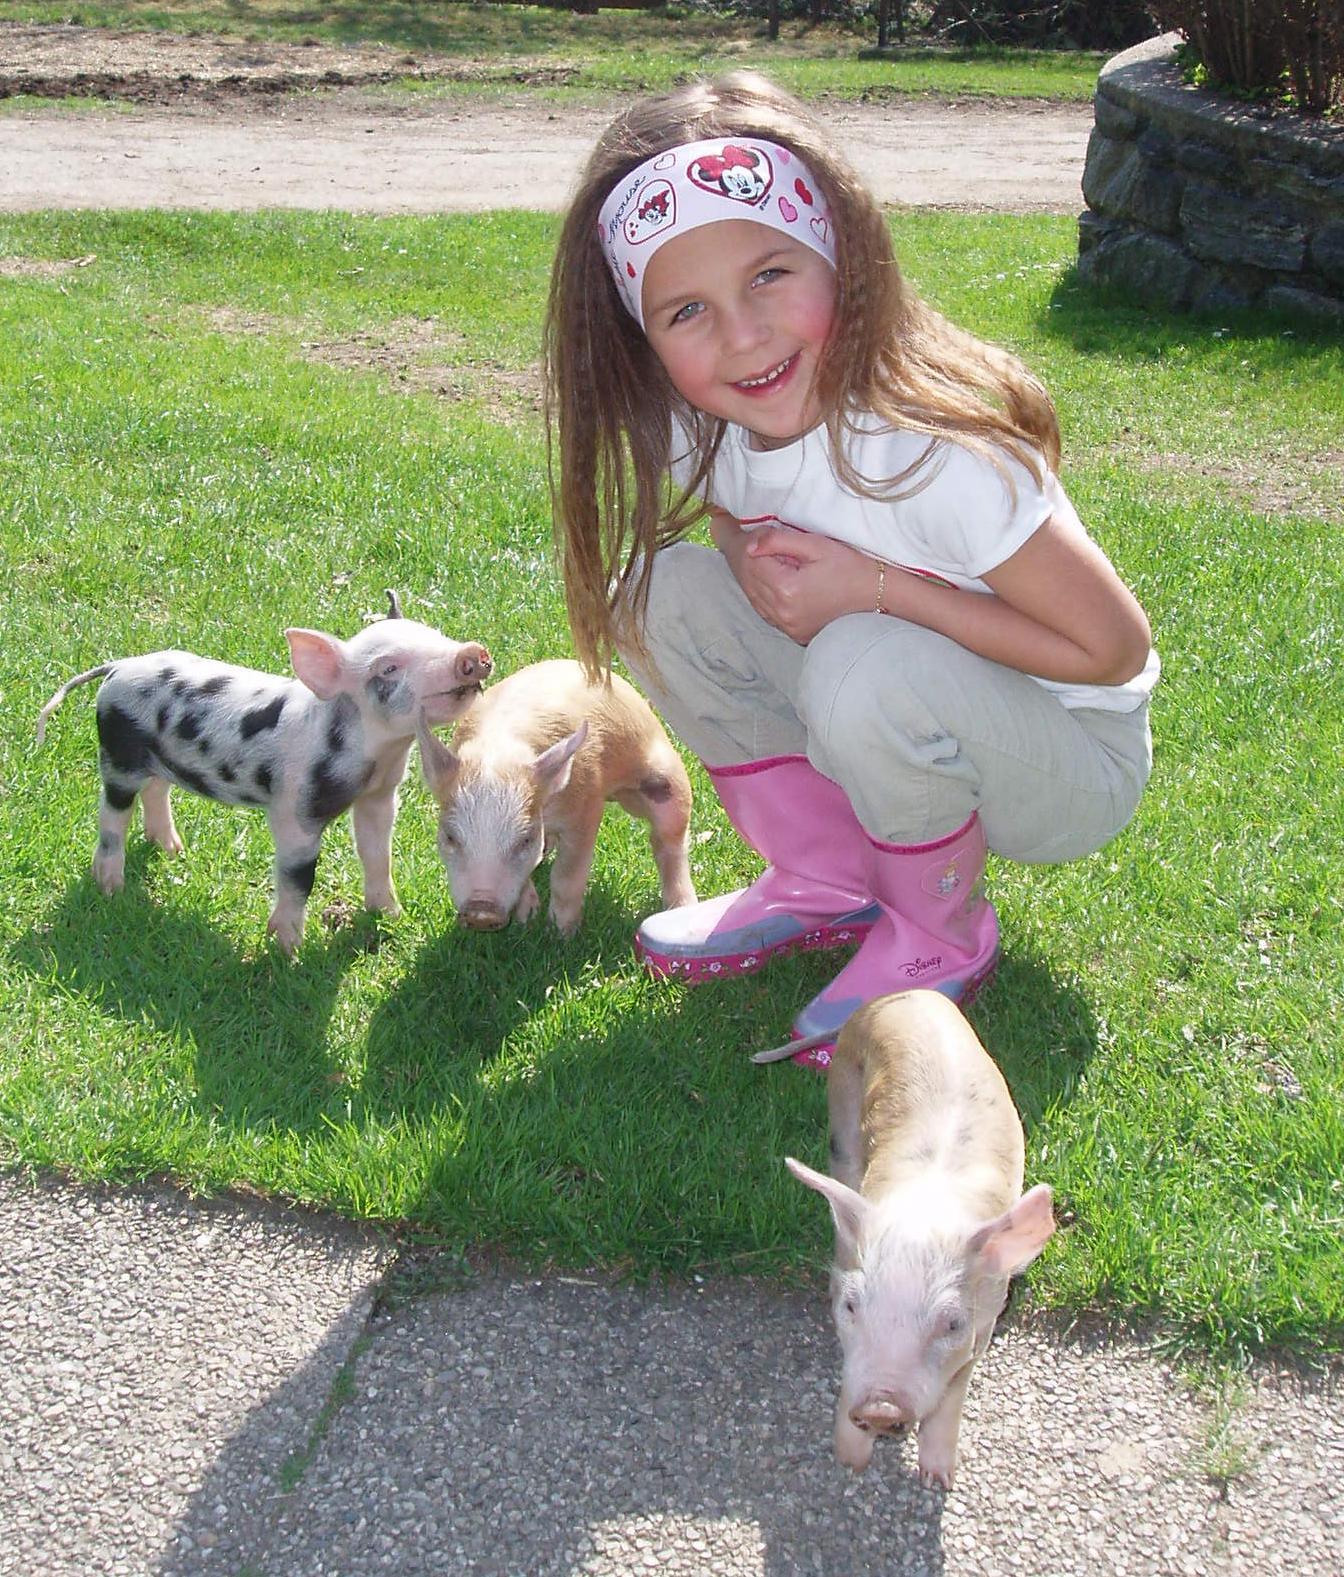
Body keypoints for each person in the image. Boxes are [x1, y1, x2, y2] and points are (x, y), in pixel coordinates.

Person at [543, 71, 1157, 1065]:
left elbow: (1113, 648)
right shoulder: (715, 422)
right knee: (660, 595)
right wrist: (742, 556)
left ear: (839, 254)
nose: (743, 334)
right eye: (687, 309)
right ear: (641, 338)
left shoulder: (936, 454)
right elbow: (736, 508)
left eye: (769, 274)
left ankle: (939, 928)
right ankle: (829, 876)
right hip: (902, 702)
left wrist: (875, 590)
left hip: (1067, 761)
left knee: (862, 657)